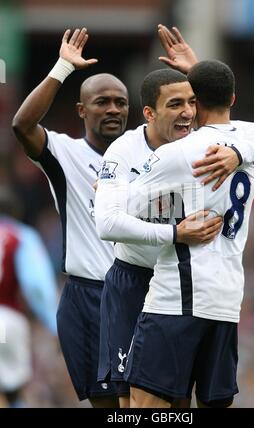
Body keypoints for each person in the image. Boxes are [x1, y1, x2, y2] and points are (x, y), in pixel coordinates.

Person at [116, 58, 254, 408]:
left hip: (177, 298)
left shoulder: (177, 153)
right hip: (227, 300)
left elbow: (115, 214)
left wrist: (108, 187)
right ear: (233, 99)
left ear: (194, 103)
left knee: (143, 407)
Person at [94, 67, 243, 408]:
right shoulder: (123, 152)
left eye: (192, 102)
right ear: (149, 113)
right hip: (135, 282)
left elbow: (244, 129)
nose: (188, 112)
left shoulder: (207, 145)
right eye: (175, 104)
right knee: (134, 404)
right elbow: (107, 224)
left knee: (183, 402)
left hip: (187, 283)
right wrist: (175, 233)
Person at [12, 28, 129, 408]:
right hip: (83, 296)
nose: (113, 109)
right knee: (106, 405)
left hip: (133, 293)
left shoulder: (148, 155)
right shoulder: (65, 153)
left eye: (120, 102)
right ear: (82, 110)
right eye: (102, 102)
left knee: (144, 401)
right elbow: (22, 125)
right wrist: (63, 67)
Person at [0, 186, 58, 408]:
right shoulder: (21, 235)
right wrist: (54, 324)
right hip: (6, 320)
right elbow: (37, 286)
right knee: (13, 393)